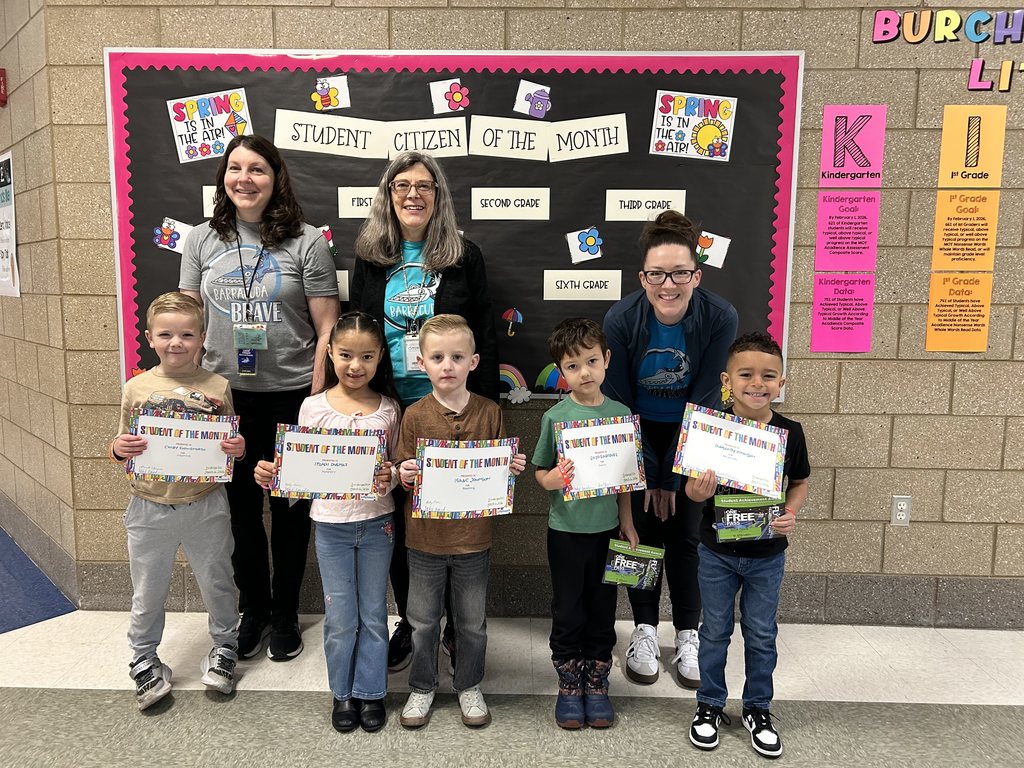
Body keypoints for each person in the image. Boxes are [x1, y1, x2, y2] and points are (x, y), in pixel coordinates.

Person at [179, 134, 341, 662]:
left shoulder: (307, 241)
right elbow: (185, 319)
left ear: (276, 179)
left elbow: (327, 328)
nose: (244, 179)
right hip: (224, 400)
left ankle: (286, 614)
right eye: (235, 169)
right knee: (240, 513)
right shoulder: (201, 239)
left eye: (257, 170)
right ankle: (254, 610)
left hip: (292, 396)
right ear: (223, 178)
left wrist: (317, 398)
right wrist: (186, 389)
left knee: (290, 511)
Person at [351, 151, 499, 673]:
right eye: (401, 185)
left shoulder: (464, 254)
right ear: (388, 195)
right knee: (400, 514)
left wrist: (485, 412)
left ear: (439, 196)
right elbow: (359, 331)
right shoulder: (371, 256)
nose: (412, 194)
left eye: (424, 185)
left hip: (452, 404)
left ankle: (458, 627)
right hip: (391, 404)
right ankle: (413, 623)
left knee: (452, 513)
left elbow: (482, 329)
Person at [602, 210, 738, 688]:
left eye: (680, 273)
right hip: (635, 436)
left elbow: (704, 399)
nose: (668, 284)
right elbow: (619, 404)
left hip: (695, 436)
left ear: (696, 276)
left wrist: (673, 479)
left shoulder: (720, 316)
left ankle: (686, 634)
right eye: (657, 274)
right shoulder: (620, 318)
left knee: (685, 537)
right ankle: (641, 629)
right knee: (639, 534)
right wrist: (652, 477)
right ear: (643, 277)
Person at [253, 311, 400, 734]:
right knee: (340, 615)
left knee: (373, 613)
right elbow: (300, 475)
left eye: (367, 357)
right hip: (331, 526)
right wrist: (272, 476)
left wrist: (390, 473)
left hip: (378, 523)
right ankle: (342, 692)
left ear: (379, 358)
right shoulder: (312, 407)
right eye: (347, 355)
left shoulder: (389, 409)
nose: (356, 366)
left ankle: (371, 693)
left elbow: (392, 464)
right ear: (331, 353)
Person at [108, 292, 246, 710]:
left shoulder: (218, 386)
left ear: (203, 337)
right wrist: (119, 447)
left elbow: (227, 444)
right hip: (149, 506)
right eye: (166, 334)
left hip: (206, 503)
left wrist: (236, 448)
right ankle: (144, 658)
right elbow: (122, 441)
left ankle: (225, 648)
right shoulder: (137, 387)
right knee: (148, 590)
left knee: (218, 582)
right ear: (150, 337)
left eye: (187, 334)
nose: (176, 343)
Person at [393, 315, 526, 729]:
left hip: (473, 541)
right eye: (437, 357)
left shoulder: (489, 412)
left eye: (456, 356)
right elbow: (401, 465)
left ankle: (468, 683)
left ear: (474, 361)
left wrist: (511, 468)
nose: (446, 365)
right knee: (422, 621)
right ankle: (422, 685)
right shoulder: (414, 415)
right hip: (424, 542)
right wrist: (405, 472)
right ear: (422, 362)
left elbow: (498, 476)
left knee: (472, 624)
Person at [685, 332, 808, 759]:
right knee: (714, 632)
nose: (758, 383)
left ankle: (758, 708)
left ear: (781, 382)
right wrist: (700, 491)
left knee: (760, 634)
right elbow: (692, 494)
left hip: (767, 555)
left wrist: (791, 512)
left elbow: (802, 480)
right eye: (746, 374)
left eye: (768, 376)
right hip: (716, 553)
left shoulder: (790, 432)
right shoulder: (710, 429)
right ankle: (710, 705)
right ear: (727, 380)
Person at [531, 318, 639, 730]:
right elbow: (541, 473)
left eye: (592, 361)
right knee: (568, 608)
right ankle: (569, 686)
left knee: (602, 609)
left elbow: (626, 480)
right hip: (566, 532)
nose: (585, 372)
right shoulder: (556, 417)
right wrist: (551, 480)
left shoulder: (621, 414)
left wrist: (627, 523)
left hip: (607, 531)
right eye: (573, 366)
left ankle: (597, 683)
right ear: (562, 371)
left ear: (607, 360)